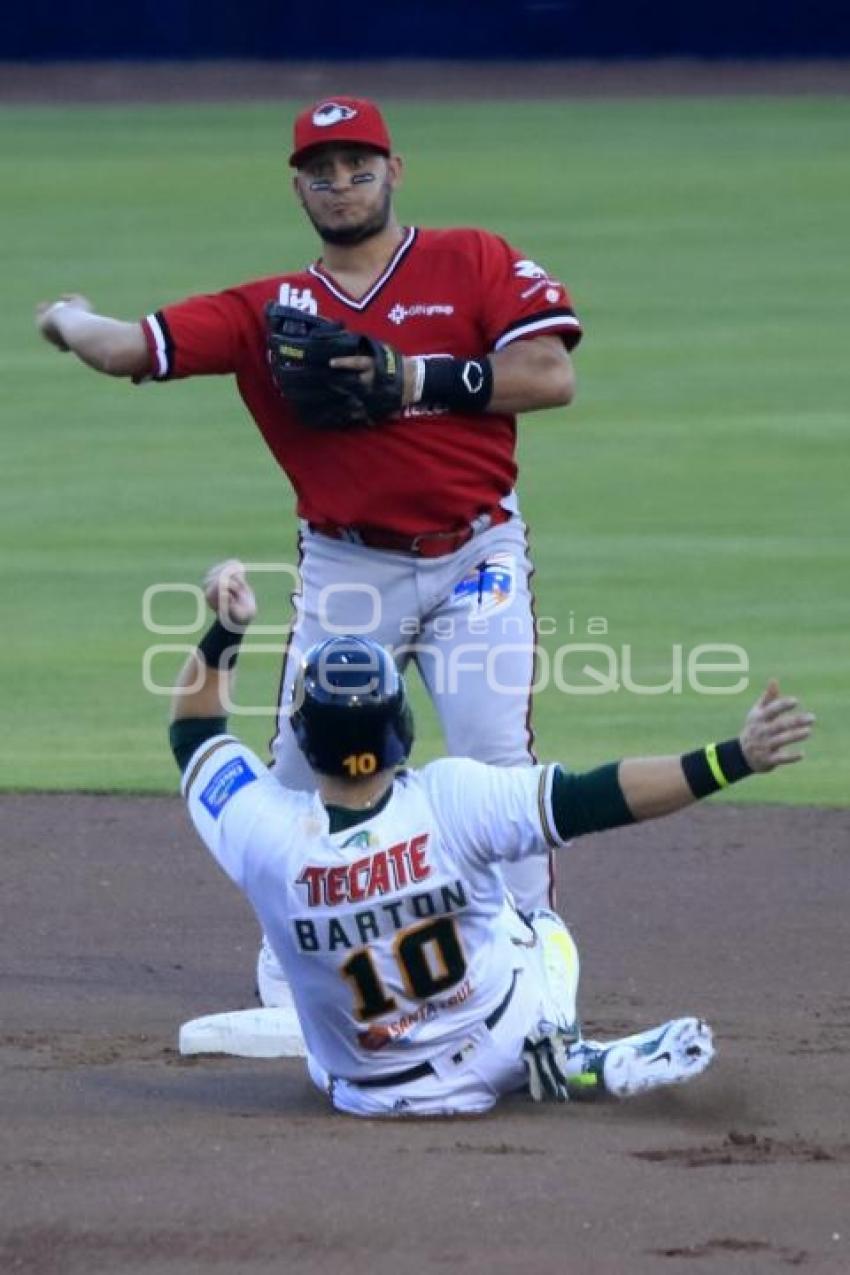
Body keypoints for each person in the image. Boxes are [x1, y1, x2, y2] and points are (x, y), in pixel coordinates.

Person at [36, 95, 583, 1019]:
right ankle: (296, 973)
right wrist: (66, 318)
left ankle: (528, 959)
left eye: (358, 164)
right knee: (296, 771)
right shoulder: (267, 309)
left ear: (394, 169)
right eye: (320, 170)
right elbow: (131, 348)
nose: (341, 183)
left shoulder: (473, 259)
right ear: (298, 186)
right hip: (346, 565)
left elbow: (551, 376)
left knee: (494, 761)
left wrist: (407, 376)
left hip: (476, 554)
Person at [169, 560, 813, 1118]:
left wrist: (228, 628)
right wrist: (735, 758)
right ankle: (562, 1050)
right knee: (540, 926)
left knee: (332, 1038)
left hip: (364, 1089)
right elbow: (598, 797)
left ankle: (550, 1053)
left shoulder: (261, 834)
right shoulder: (452, 800)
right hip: (496, 1044)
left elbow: (193, 734)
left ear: (304, 741)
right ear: (401, 726)